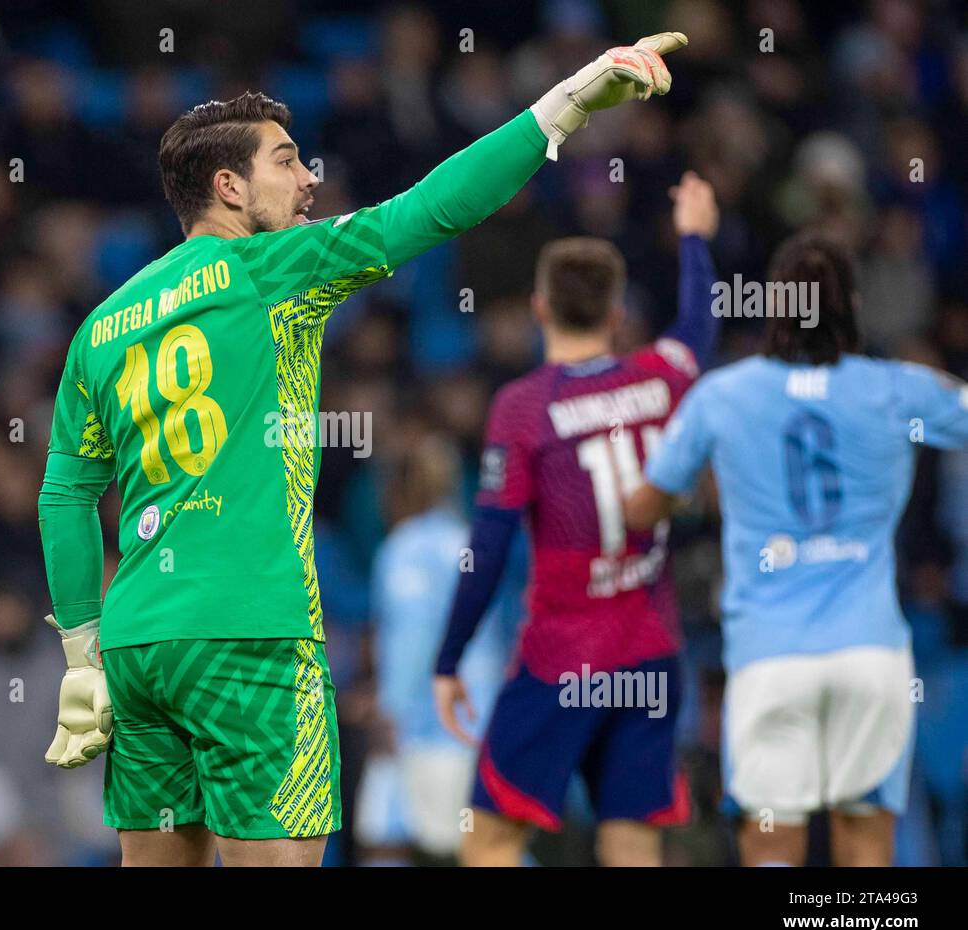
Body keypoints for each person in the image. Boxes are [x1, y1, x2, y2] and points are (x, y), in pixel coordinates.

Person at [36, 34, 690, 866]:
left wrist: (82, 651)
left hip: (136, 645)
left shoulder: (103, 324)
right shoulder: (269, 268)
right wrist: (565, 104)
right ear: (229, 188)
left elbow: (63, 496)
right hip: (253, 631)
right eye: (286, 162)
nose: (309, 178)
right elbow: (430, 210)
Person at [625, 231, 968, 866]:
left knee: (771, 845)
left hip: (770, 654)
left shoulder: (723, 397)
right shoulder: (897, 390)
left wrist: (697, 490)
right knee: (864, 840)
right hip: (870, 652)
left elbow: (642, 506)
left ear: (774, 308)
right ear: (855, 307)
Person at [434, 173, 720, 866]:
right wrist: (694, 237)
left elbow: (490, 546)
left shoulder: (524, 408)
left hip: (561, 658)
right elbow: (697, 326)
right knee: (632, 843)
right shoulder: (661, 379)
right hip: (650, 653)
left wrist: (449, 660)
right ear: (617, 312)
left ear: (538, 308)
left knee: (491, 837)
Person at [368, 432, 518, 862]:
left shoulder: (405, 551)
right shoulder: (472, 543)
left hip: (428, 728)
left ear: (397, 489)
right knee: (488, 844)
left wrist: (391, 710)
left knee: (386, 837)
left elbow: (414, 640)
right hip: (482, 722)